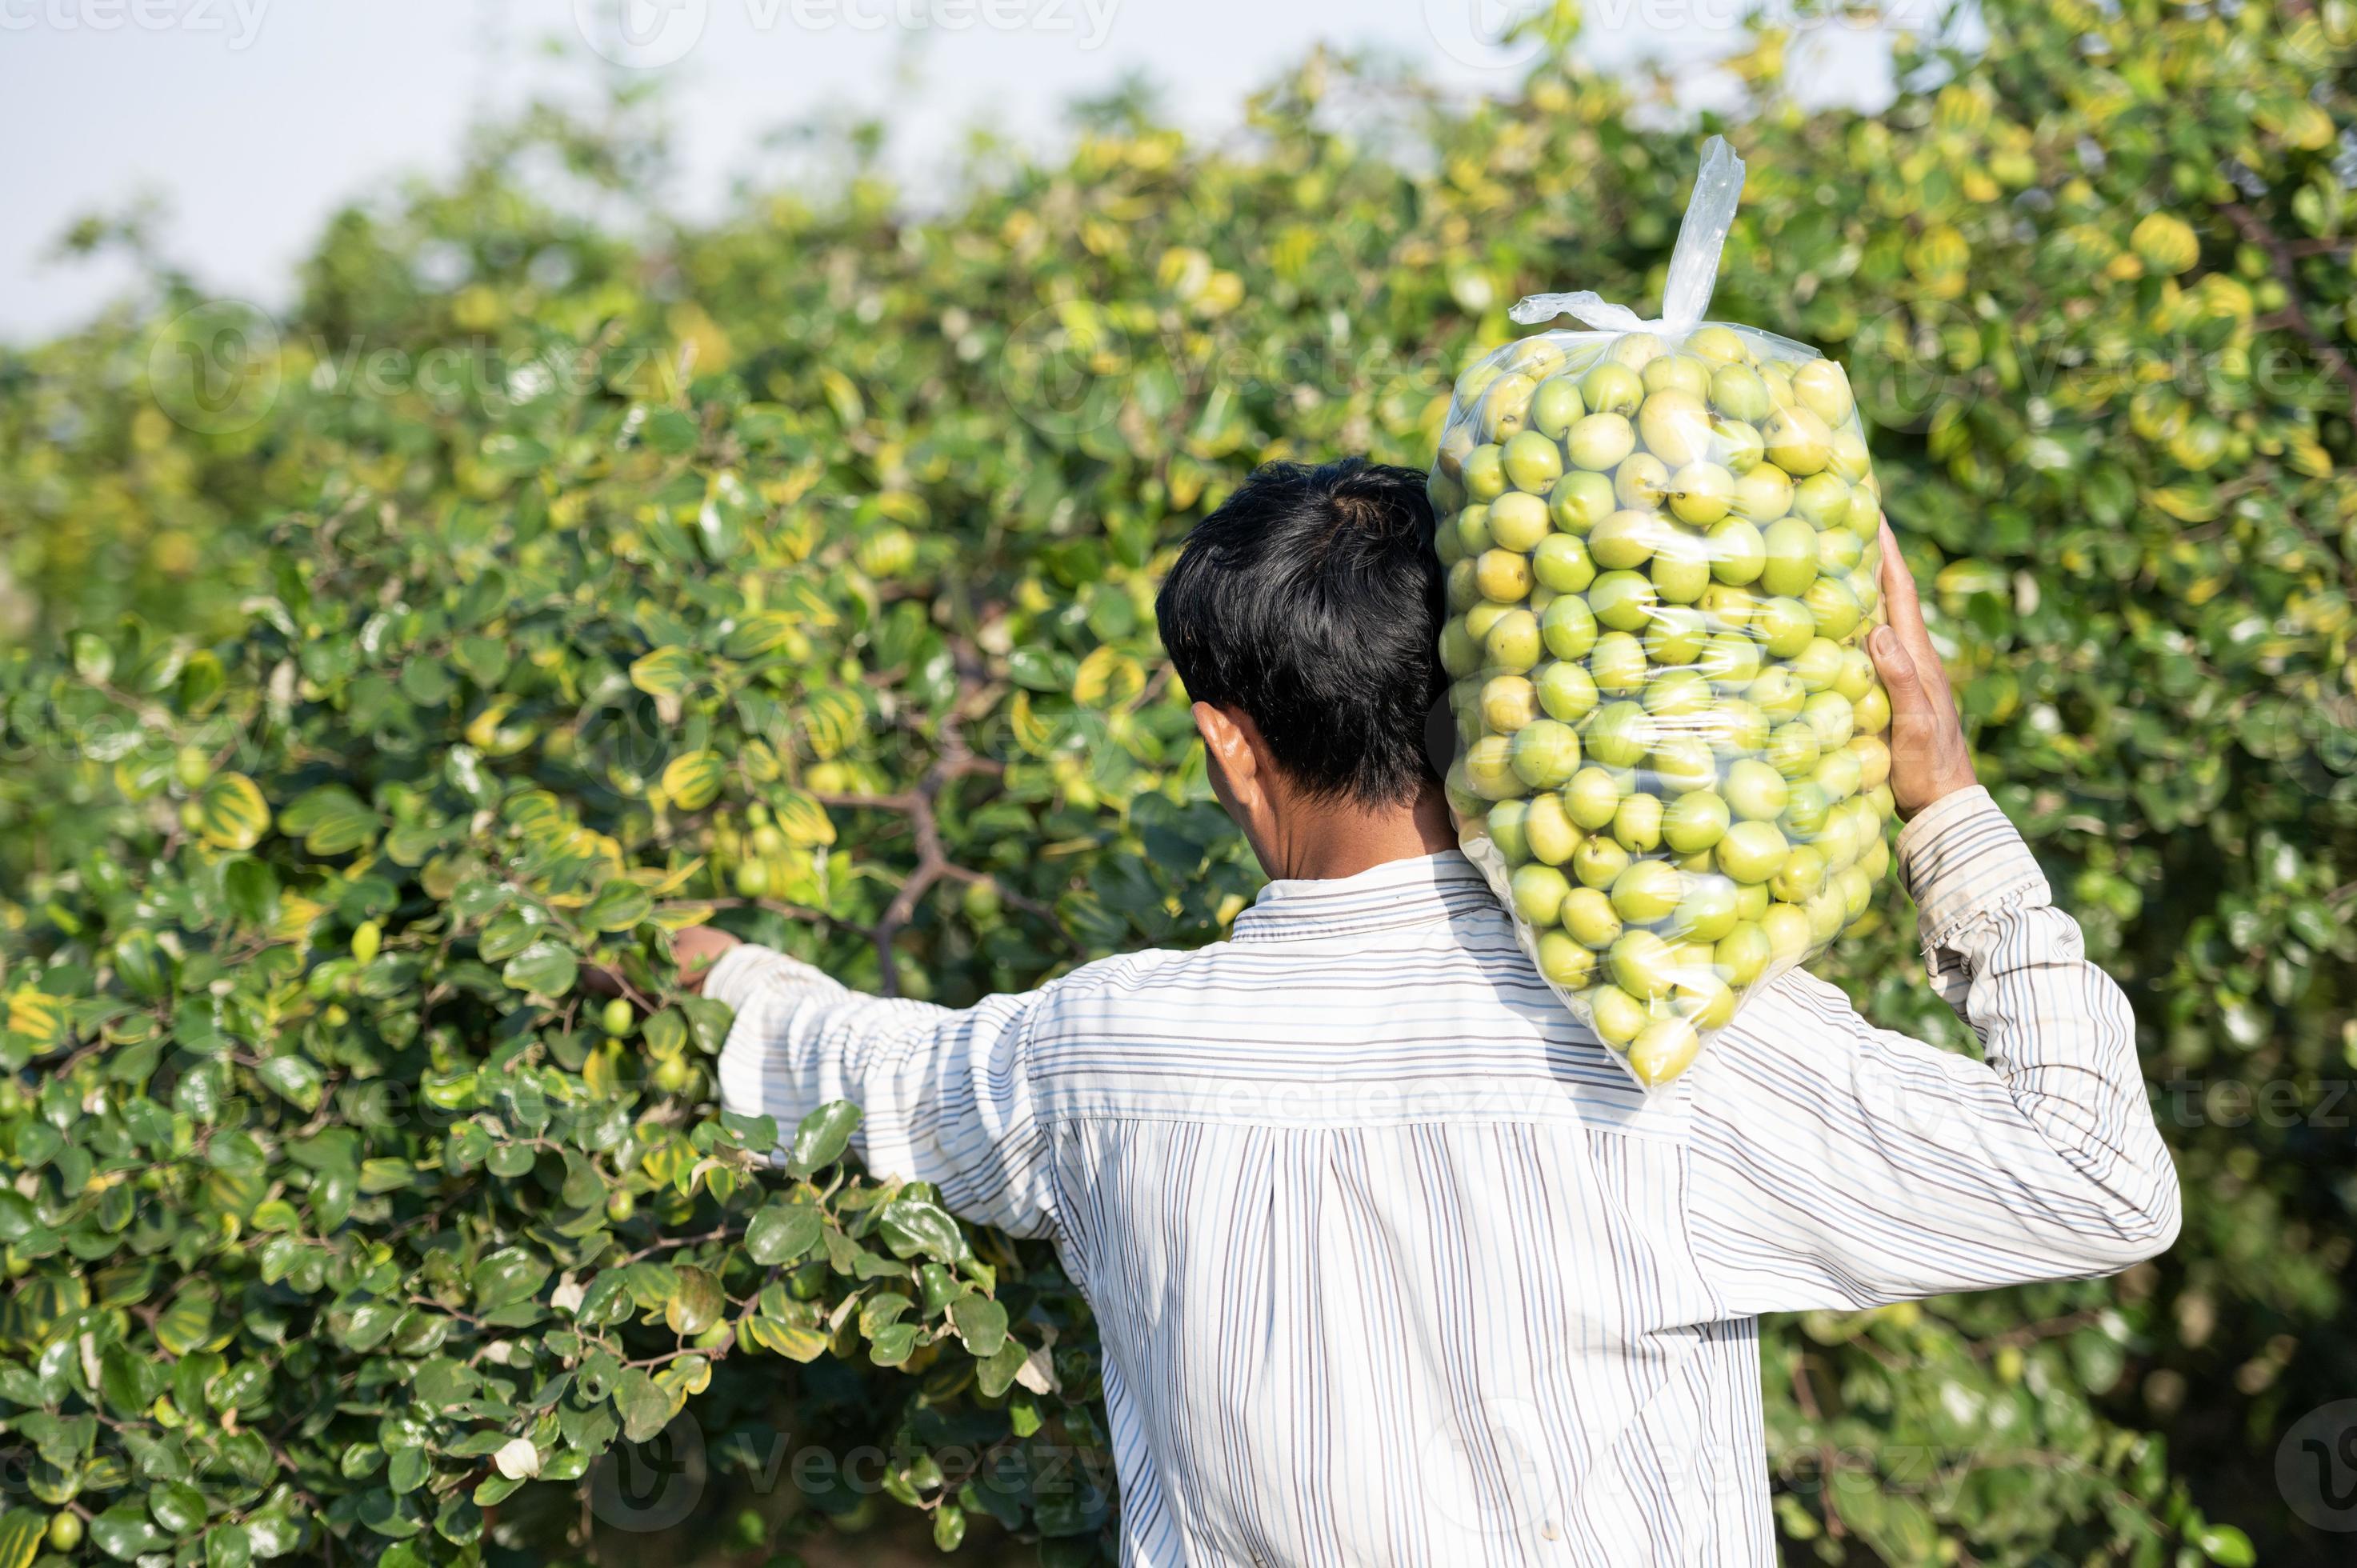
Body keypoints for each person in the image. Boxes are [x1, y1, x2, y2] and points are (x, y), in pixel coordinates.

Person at [667, 458, 2179, 1565]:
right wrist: (1947, 812)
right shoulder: (1671, 1040)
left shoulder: (1094, 1054)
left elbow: (842, 1064)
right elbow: (2099, 1179)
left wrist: (652, 949)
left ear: (1225, 747)